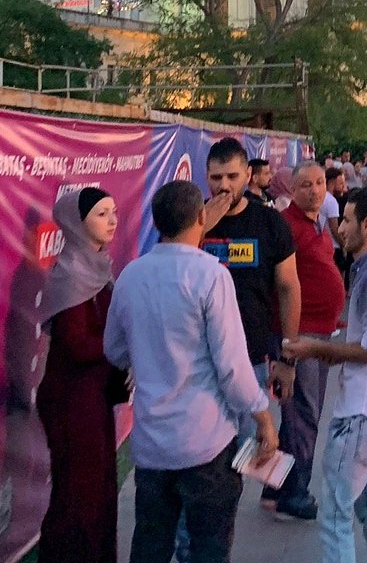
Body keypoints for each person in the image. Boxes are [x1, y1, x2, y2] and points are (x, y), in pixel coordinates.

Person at [105, 181, 278, 563]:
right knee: (208, 548)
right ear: (202, 217)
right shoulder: (210, 276)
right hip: (206, 442)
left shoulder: (131, 276)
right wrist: (263, 418)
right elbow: (233, 368)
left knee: (150, 545)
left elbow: (114, 350)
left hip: (151, 444)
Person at [282, 187, 367, 563]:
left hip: (362, 413)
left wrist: (315, 349)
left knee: (336, 516)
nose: (341, 229)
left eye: (348, 221)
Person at [36, 188, 124, 563]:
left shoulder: (98, 264)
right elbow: (77, 345)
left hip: (95, 395)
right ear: (76, 222)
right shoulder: (70, 272)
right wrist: (126, 347)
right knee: (77, 497)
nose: (112, 221)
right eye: (102, 214)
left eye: (114, 212)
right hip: (71, 400)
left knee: (100, 489)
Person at [268, 163, 347, 521]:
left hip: (319, 330)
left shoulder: (316, 223)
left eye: (319, 183)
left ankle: (275, 486)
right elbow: (282, 286)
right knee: (304, 414)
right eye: (305, 185)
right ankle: (295, 492)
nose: (315, 191)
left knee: (295, 415)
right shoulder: (286, 227)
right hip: (300, 334)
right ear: (291, 189)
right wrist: (288, 342)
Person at [201, 138, 300, 409]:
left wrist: (287, 358)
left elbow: (288, 288)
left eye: (233, 176)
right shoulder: (191, 220)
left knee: (250, 445)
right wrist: (200, 228)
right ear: (206, 176)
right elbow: (167, 270)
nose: (224, 186)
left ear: (248, 175)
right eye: (216, 177)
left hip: (251, 356)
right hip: (200, 358)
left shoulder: (270, 223)